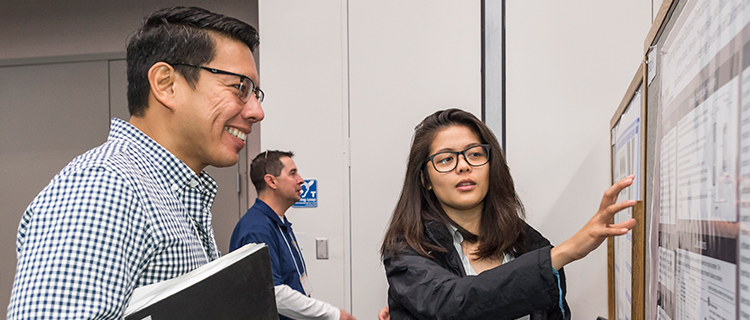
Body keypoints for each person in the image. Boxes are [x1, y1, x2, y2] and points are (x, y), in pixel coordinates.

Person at [7, 7, 264, 320]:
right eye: (240, 88)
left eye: (255, 93)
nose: (255, 111)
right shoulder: (104, 188)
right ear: (166, 84)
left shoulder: (170, 194)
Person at [379, 109, 636, 319]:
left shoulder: (531, 245)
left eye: (475, 154)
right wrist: (565, 252)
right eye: (446, 159)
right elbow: (454, 304)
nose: (464, 166)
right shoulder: (406, 249)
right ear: (425, 179)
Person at [230, 151, 357, 320]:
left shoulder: (278, 223)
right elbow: (274, 293)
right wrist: (333, 314)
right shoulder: (257, 229)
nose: (301, 180)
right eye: (292, 173)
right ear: (271, 181)